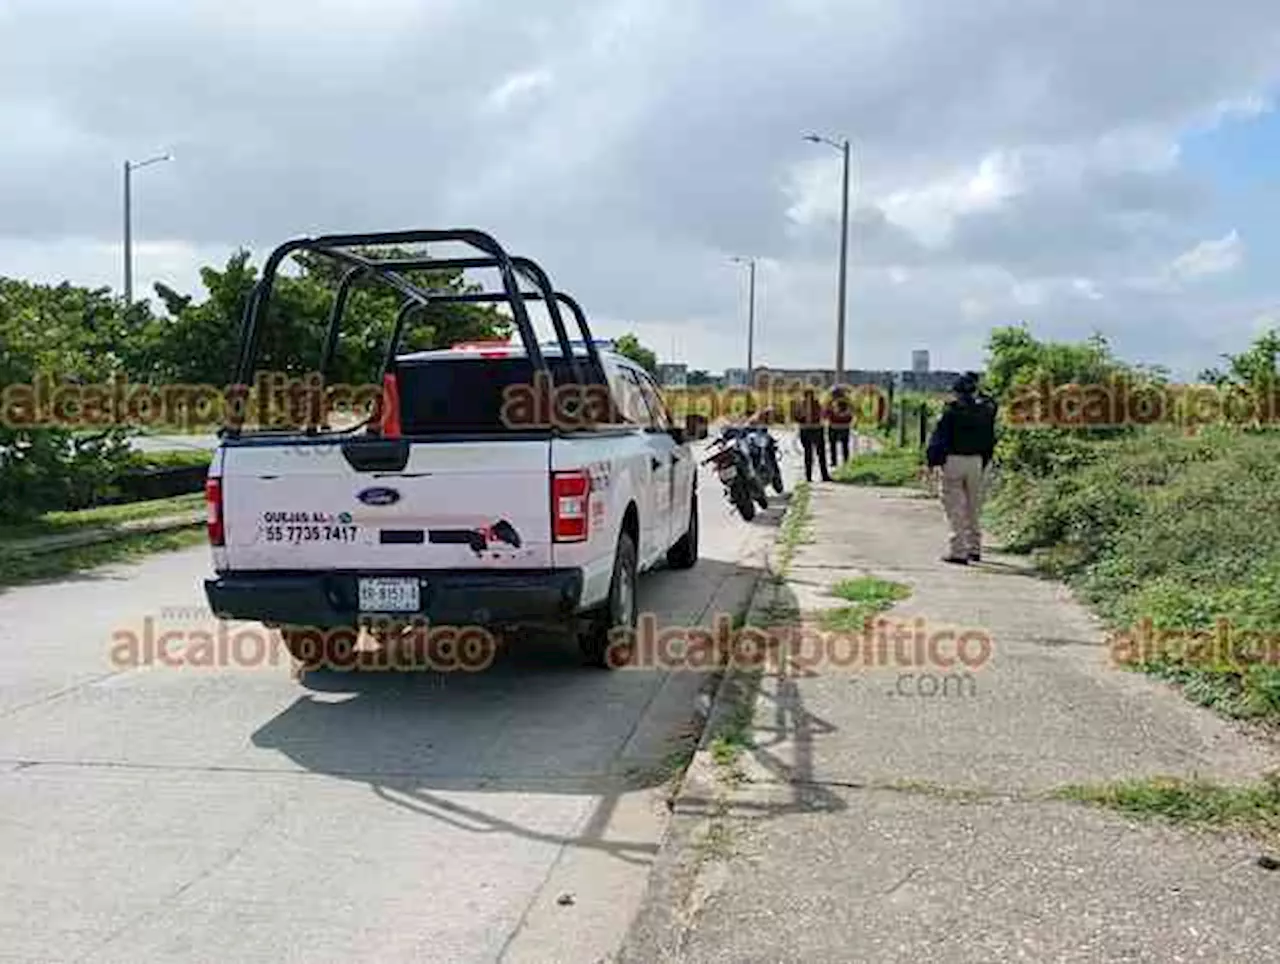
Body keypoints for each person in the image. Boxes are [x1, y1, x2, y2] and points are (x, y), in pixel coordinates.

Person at [926, 373, 997, 564]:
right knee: (974, 507)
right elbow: (990, 436)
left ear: (956, 392)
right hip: (977, 462)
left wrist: (932, 462)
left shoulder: (951, 411)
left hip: (953, 461)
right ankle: (975, 548)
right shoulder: (986, 410)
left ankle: (959, 551)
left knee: (955, 508)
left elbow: (938, 438)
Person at [791, 387, 831, 482]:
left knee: (819, 454)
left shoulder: (815, 404)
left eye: (811, 395)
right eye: (808, 395)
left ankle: (823, 476)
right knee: (810, 454)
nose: (809, 397)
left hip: (815, 429)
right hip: (807, 430)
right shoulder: (801, 405)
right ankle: (810, 477)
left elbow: (822, 414)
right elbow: (796, 417)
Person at [825, 385, 853, 467]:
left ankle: (834, 461)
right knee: (844, 445)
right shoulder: (847, 401)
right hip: (845, 426)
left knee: (833, 445)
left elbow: (826, 413)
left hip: (834, 426)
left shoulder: (830, 402)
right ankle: (846, 461)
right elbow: (851, 412)